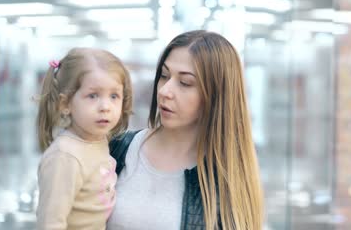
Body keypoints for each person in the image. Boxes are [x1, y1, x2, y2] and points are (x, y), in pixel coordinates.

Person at [107, 30, 264, 230]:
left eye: (185, 83)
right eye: (164, 76)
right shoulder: (119, 149)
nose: (164, 91)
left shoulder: (227, 178)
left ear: (216, 96)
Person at [36, 47, 133, 230]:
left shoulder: (97, 140)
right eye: (92, 95)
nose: (105, 106)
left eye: (114, 96)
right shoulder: (65, 157)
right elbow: (50, 223)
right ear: (65, 104)